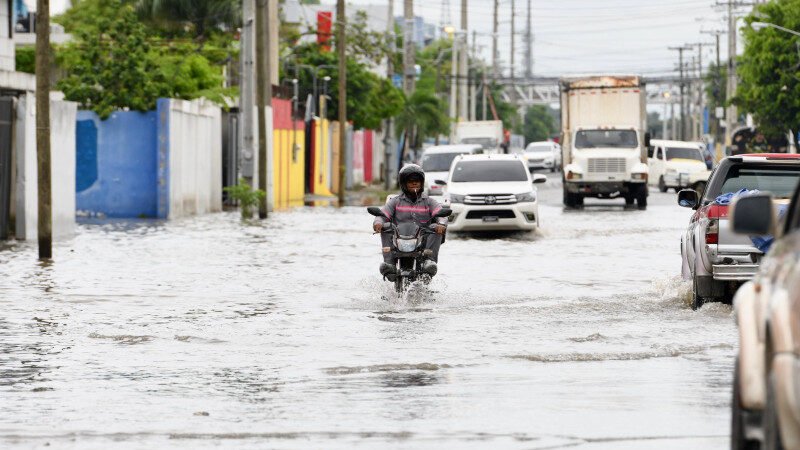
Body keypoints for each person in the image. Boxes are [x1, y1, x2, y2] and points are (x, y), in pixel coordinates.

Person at [373, 164, 447, 281]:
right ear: (403, 183)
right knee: (386, 226)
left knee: (435, 226)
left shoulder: (429, 202)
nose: (414, 183)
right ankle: (390, 263)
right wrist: (378, 223)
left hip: (422, 242)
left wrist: (441, 224)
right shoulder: (395, 202)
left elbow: (441, 214)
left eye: (417, 181)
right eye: (410, 181)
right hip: (398, 241)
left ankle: (429, 261)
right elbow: (382, 215)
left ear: (422, 183)